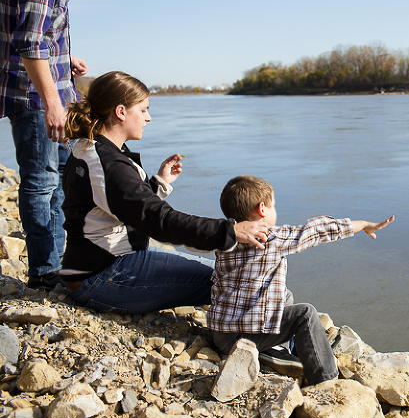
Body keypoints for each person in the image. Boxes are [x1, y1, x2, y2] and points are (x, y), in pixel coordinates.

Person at [60, 71, 268, 314]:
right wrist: (229, 231)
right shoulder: (107, 163)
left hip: (96, 268)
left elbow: (123, 206)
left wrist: (159, 183)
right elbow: (159, 219)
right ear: (121, 112)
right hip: (104, 277)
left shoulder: (91, 148)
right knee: (246, 284)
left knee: (231, 276)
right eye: (144, 110)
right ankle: (269, 345)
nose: (148, 118)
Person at [209, 174, 394, 386]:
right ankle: (325, 379)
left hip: (220, 334)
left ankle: (274, 350)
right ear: (262, 209)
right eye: (273, 206)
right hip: (241, 339)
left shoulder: (224, 239)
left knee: (284, 294)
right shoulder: (271, 239)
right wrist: (362, 224)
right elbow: (315, 231)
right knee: (305, 314)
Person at [0, 0, 100, 289]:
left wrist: (62, 57)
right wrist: (52, 102)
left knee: (59, 183)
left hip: (45, 90)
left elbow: (29, 32)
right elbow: (28, 42)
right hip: (37, 99)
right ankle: (45, 274)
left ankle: (59, 264)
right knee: (43, 185)